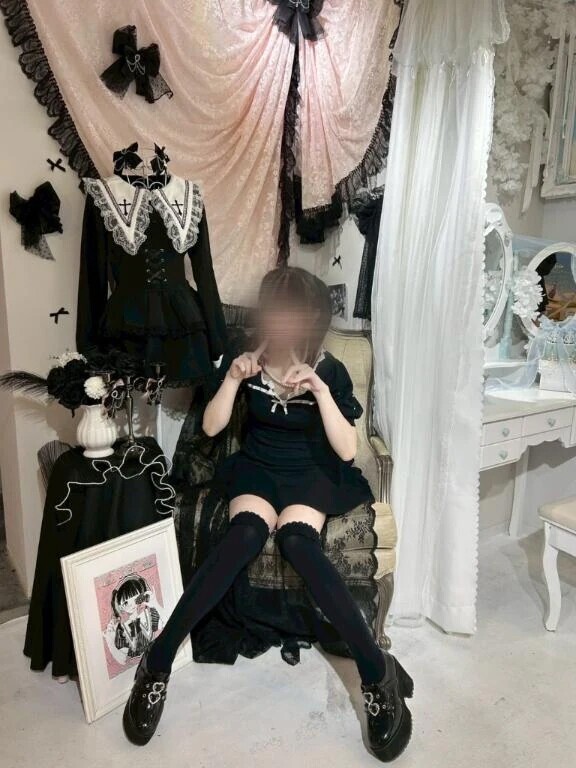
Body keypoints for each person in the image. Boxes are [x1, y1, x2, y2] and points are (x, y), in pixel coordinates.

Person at [123, 267, 413, 762]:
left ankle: (374, 673)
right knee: (243, 537)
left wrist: (319, 390)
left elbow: (347, 451)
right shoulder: (246, 360)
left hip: (311, 472)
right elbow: (211, 428)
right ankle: (158, 661)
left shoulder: (329, 369)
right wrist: (233, 380)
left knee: (298, 543)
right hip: (258, 468)